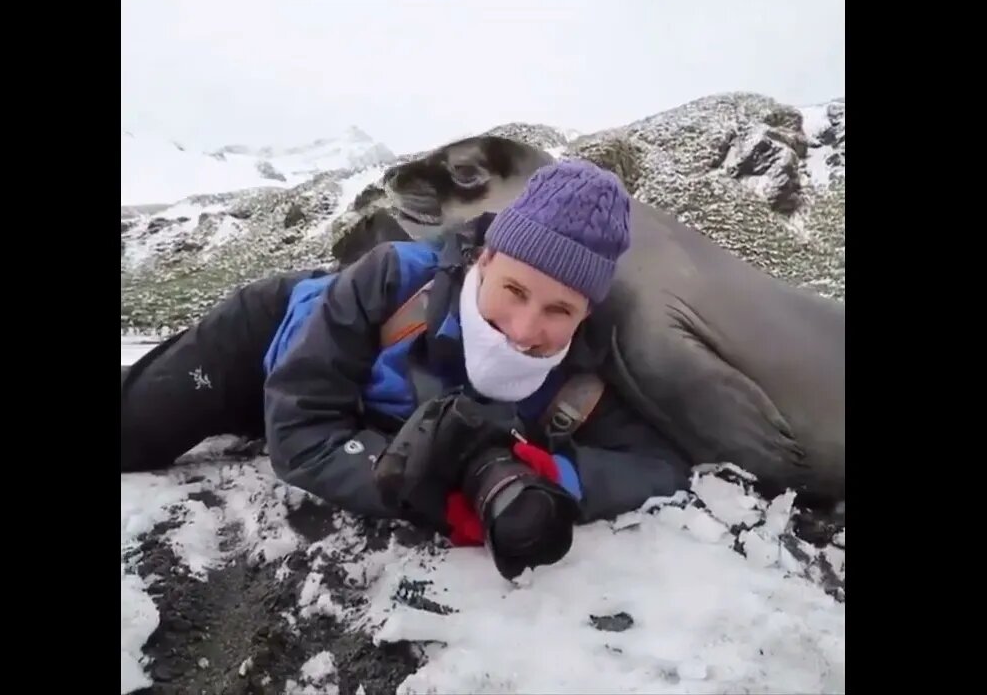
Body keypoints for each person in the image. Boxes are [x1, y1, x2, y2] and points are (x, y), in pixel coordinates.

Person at [259, 159, 691, 578]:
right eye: (515, 290)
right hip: (265, 330)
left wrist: (557, 474)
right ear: (484, 260)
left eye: (559, 310)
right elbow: (299, 432)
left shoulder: (578, 375)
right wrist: (422, 491)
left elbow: (660, 465)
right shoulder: (392, 279)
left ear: (586, 313)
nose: (523, 332)